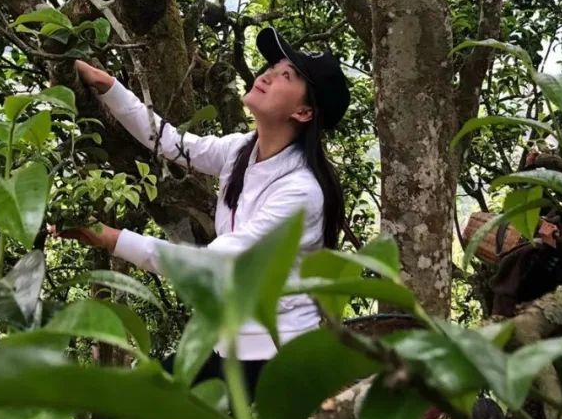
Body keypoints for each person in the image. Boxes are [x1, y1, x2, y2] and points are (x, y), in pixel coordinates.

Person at [56, 27, 351, 395]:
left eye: (286, 76)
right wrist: (108, 85)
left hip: (277, 359)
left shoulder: (301, 192)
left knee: (132, 405)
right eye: (272, 67)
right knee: (117, 408)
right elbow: (172, 143)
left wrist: (111, 238)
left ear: (304, 112)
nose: (267, 75)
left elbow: (212, 265)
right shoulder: (242, 149)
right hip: (228, 345)